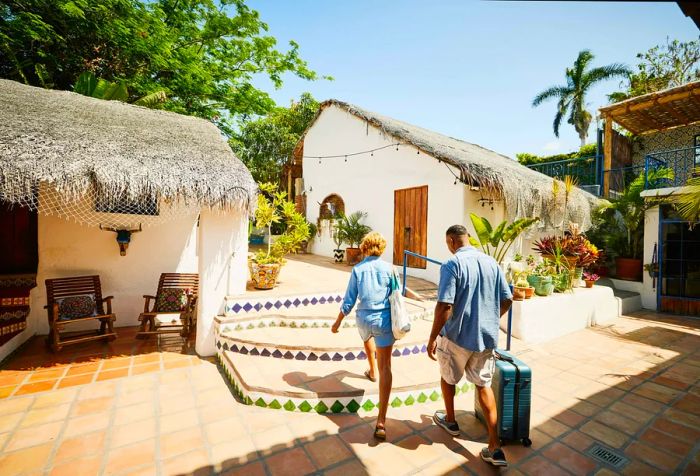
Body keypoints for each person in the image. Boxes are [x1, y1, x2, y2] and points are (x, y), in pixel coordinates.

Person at [427, 224, 513, 467]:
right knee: (483, 386)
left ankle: (451, 421)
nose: (449, 248)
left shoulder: (452, 265)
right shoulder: (492, 264)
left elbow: (445, 306)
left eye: (448, 244)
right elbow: (507, 298)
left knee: (448, 377)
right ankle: (494, 447)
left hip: (456, 337)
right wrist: (490, 320)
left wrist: (433, 337)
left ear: (453, 241)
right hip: (485, 338)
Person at [332, 231, 395, 440]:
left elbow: (349, 299)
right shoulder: (389, 269)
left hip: (364, 319)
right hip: (384, 320)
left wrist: (338, 321)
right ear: (382, 247)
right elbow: (398, 294)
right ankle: (381, 422)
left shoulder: (358, 269)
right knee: (387, 366)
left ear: (365, 247)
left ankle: (372, 370)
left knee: (367, 337)